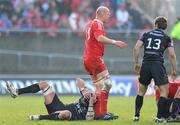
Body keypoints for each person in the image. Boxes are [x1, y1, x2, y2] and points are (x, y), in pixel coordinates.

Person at [83, 6, 127, 118]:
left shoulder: (90, 24)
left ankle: (99, 113)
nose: (109, 16)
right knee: (107, 84)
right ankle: (100, 113)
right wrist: (115, 42)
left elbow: (88, 41)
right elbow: (100, 38)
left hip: (88, 58)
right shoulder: (98, 23)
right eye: (108, 14)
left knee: (99, 86)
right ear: (102, 14)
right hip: (94, 59)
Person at [133, 16, 177, 122]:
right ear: (165, 26)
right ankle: (159, 117)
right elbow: (172, 55)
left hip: (146, 64)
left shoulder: (146, 34)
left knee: (141, 91)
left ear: (156, 24)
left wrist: (136, 63)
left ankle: (136, 116)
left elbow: (136, 48)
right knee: (164, 92)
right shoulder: (167, 37)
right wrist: (174, 70)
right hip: (157, 65)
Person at [5, 80, 97, 121]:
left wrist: (91, 104)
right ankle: (16, 92)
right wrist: (83, 88)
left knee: (66, 113)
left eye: (93, 96)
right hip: (59, 106)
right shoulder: (86, 96)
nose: (90, 95)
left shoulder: (91, 110)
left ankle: (40, 117)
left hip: (64, 114)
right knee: (44, 84)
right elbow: (78, 81)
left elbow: (89, 119)